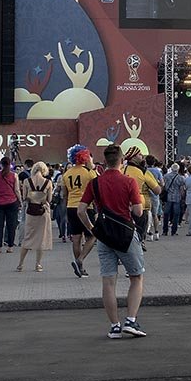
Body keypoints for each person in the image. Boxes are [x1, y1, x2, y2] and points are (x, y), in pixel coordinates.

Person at [79, 145, 147, 339]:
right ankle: (131, 320)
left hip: (104, 236)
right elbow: (138, 212)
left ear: (105, 160)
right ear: (122, 160)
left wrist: (92, 228)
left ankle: (114, 326)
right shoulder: (129, 181)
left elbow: (81, 210)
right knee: (136, 277)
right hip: (126, 235)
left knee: (108, 281)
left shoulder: (95, 183)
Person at [61, 146, 98, 277]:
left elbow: (64, 194)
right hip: (86, 207)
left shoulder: (66, 174)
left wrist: (65, 209)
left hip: (71, 207)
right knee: (93, 235)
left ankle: (80, 268)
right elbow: (96, 190)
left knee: (76, 238)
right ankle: (80, 259)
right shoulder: (89, 173)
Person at [16, 162, 55, 272]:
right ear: (44, 170)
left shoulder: (27, 181)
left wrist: (32, 196)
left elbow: (24, 197)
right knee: (41, 239)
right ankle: (38, 264)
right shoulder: (48, 182)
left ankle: (20, 264)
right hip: (43, 212)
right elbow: (49, 199)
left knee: (27, 237)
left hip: (30, 212)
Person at [0, 157, 20, 254]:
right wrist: (20, 200)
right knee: (11, 225)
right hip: (12, 202)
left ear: (0, 164)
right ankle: (10, 246)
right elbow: (16, 190)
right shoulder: (14, 175)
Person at [161, 162, 186, 236]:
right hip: (177, 197)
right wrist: (183, 197)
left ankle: (165, 230)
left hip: (168, 197)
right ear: (178, 169)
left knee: (166, 214)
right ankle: (174, 231)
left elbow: (163, 186)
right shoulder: (181, 178)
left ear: (171, 169)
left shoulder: (166, 176)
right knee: (176, 214)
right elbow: (181, 189)